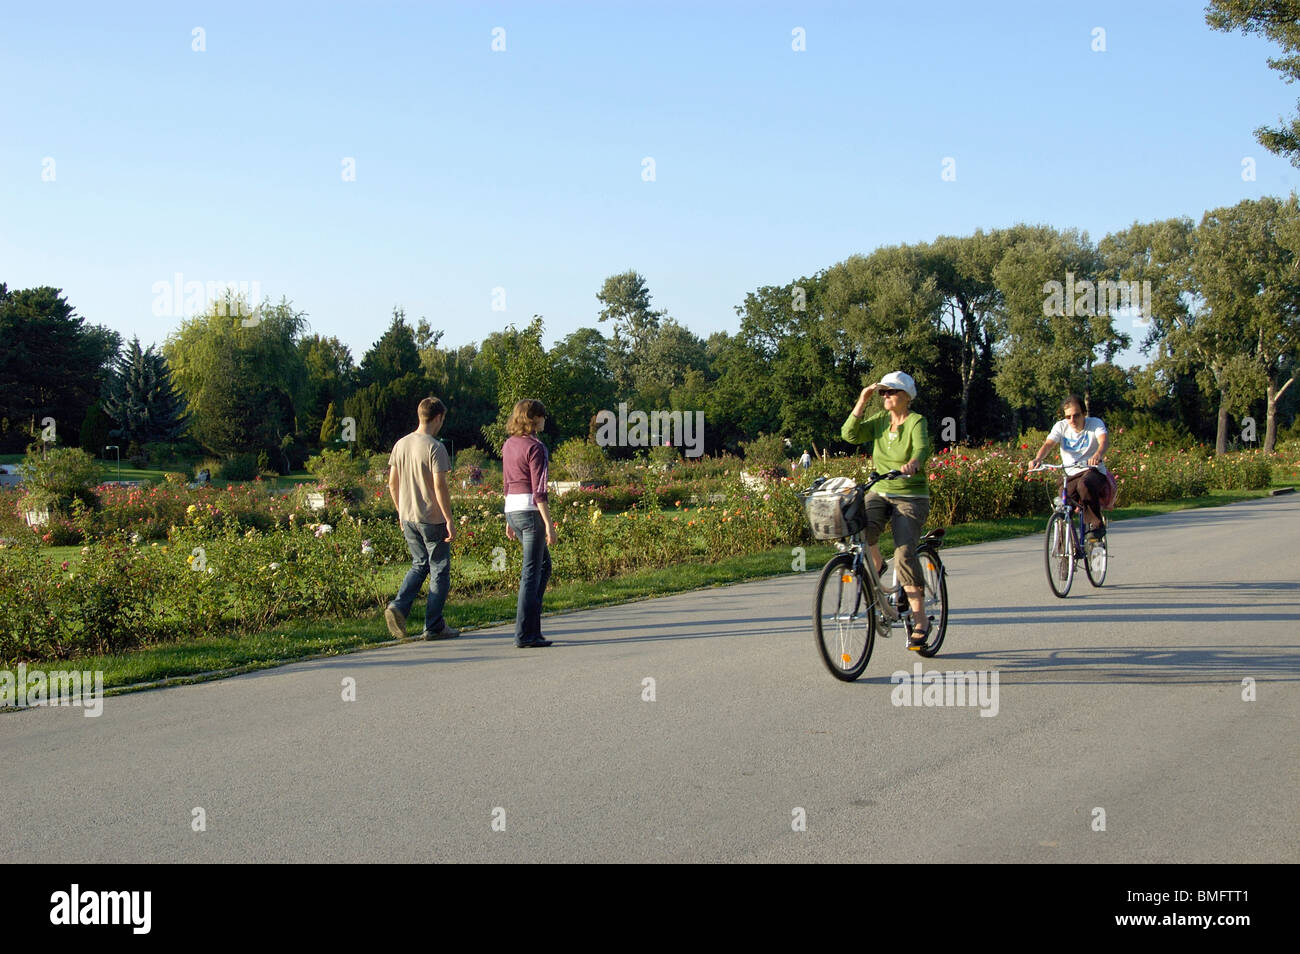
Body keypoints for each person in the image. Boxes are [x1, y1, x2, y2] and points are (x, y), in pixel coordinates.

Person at [841, 371, 934, 651]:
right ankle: (877, 564)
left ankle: (921, 621)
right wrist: (862, 399)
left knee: (904, 552)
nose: (885, 396)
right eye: (882, 392)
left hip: (910, 495)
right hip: (880, 490)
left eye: (890, 392)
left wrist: (914, 463)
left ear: (906, 396)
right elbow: (849, 434)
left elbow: (922, 447)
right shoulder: (880, 421)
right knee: (858, 530)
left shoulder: (917, 421)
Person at [384, 397, 459, 641]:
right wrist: (448, 518)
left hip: (408, 515)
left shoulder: (400, 444)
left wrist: (399, 510)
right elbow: (439, 486)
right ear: (438, 418)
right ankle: (434, 625)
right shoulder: (434, 447)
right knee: (439, 569)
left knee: (419, 564)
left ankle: (399, 605)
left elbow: (392, 483)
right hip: (431, 517)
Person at [502, 399, 556, 648]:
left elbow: (506, 482)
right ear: (534, 419)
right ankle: (524, 634)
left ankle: (533, 628)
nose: (545, 420)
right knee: (532, 572)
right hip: (531, 512)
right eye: (543, 416)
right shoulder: (536, 447)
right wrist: (549, 524)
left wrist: (508, 520)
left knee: (543, 567)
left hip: (513, 509)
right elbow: (540, 490)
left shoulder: (509, 444)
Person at [1029, 394, 1110, 541]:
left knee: (1084, 485)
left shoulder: (1095, 423)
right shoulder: (1061, 426)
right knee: (1063, 501)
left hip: (1092, 470)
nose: (1072, 420)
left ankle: (1096, 525)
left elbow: (1103, 441)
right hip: (1070, 473)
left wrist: (1098, 454)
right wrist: (1038, 458)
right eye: (1068, 417)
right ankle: (1065, 548)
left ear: (1084, 413)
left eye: (1076, 415)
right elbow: (1048, 444)